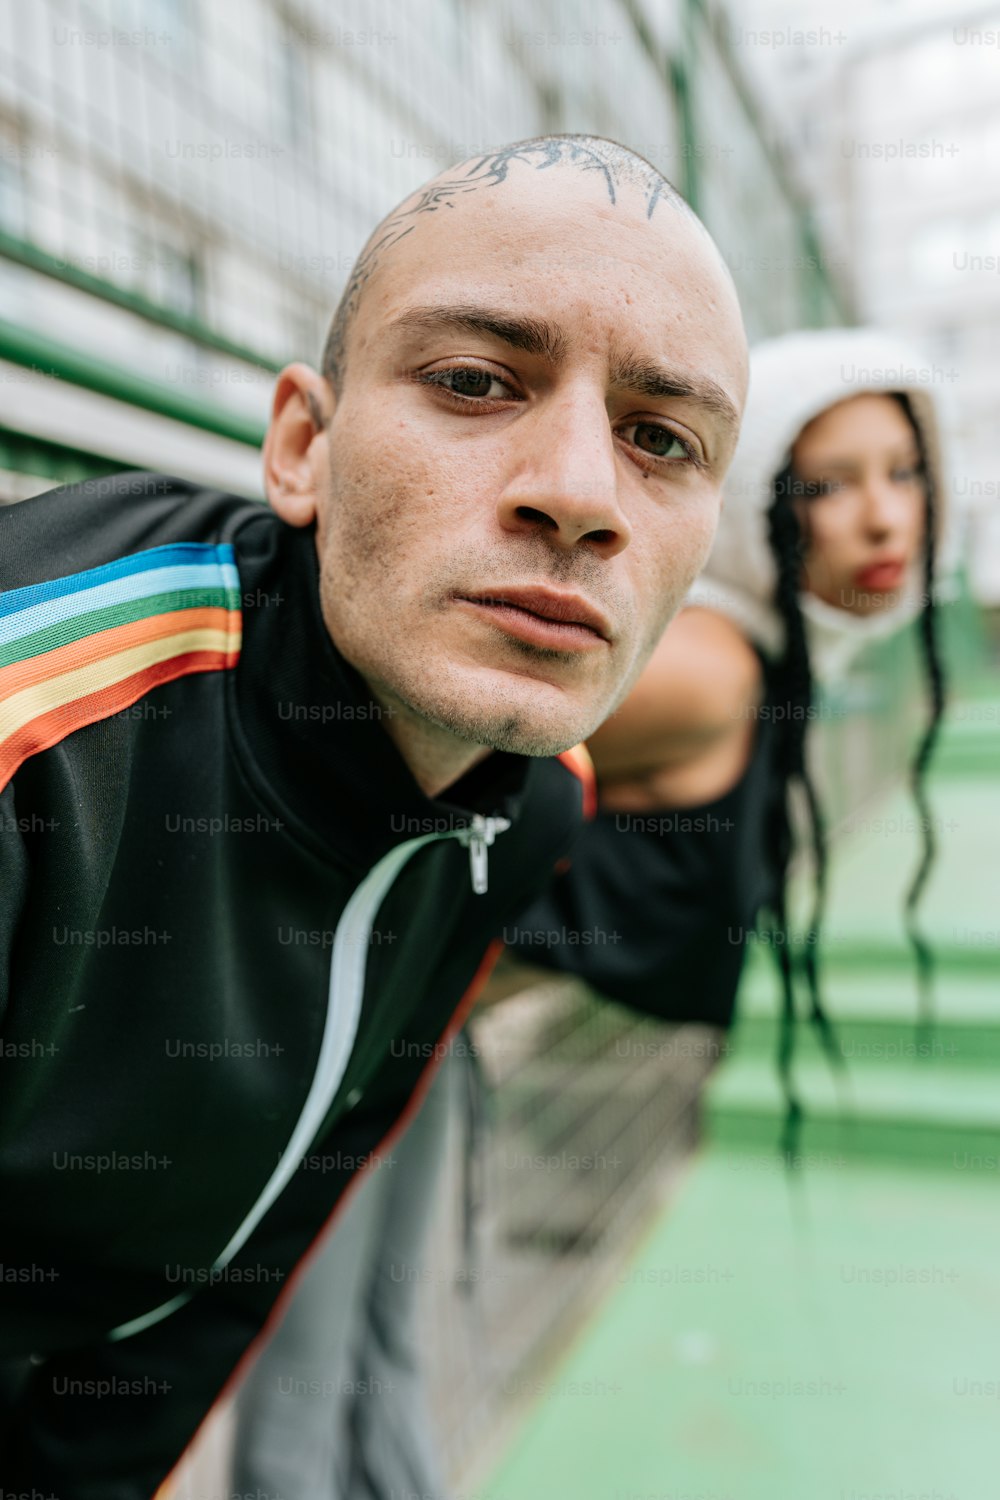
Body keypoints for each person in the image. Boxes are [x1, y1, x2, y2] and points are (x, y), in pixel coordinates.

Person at [0, 134, 748, 1497]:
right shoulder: (37, 736)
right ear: (304, 446)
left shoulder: (526, 812)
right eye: (473, 380)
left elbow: (213, 1274)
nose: (578, 494)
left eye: (662, 438)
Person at [507, 327, 949, 1124]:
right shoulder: (711, 672)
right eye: (827, 486)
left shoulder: (765, 658)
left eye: (906, 471)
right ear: (752, 498)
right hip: (386, 1062)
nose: (886, 518)